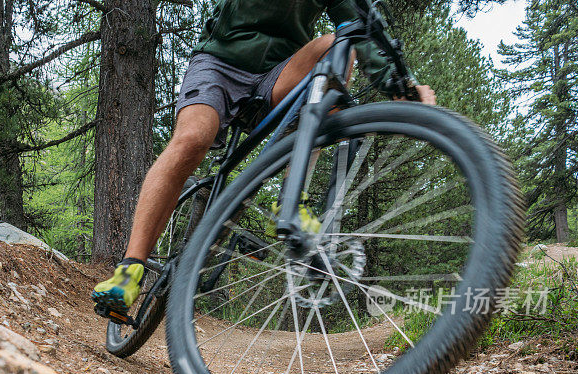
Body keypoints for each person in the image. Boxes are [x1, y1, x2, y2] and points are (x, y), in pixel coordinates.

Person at [92, 0, 436, 315]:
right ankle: (130, 269)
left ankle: (291, 200)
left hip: (278, 75)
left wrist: (400, 86)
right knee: (193, 139)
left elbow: (360, 26)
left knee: (336, 46)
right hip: (219, 63)